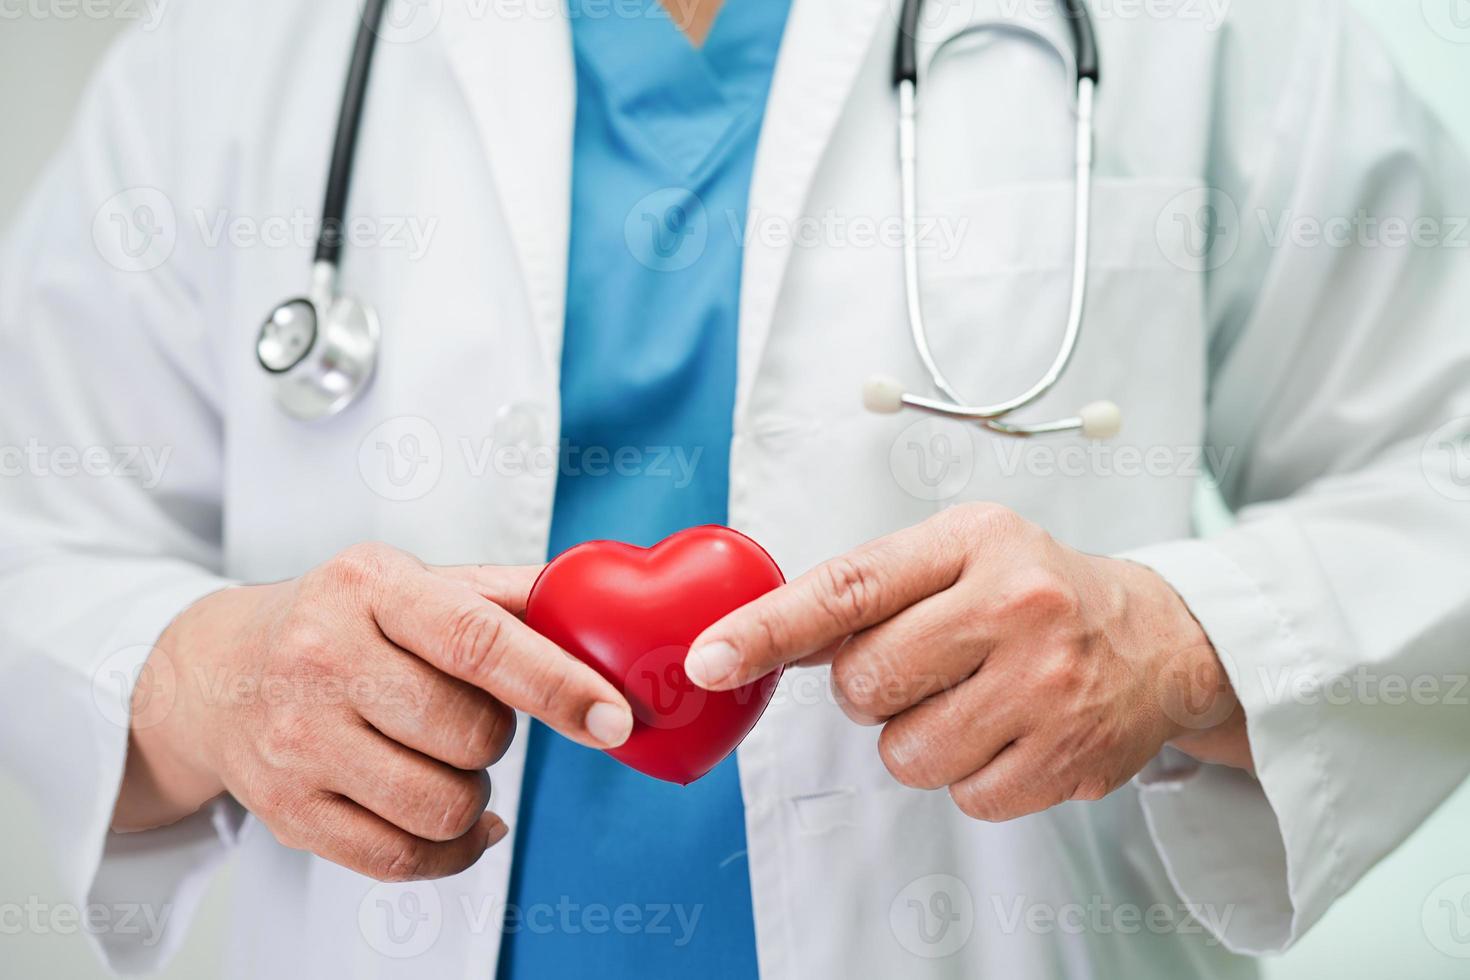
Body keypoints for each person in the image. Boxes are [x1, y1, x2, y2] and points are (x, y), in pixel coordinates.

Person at [1, 0, 1468, 976]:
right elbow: (36, 531)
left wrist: (1181, 639)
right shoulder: (232, 50)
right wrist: (198, 679)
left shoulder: (1216, 27)